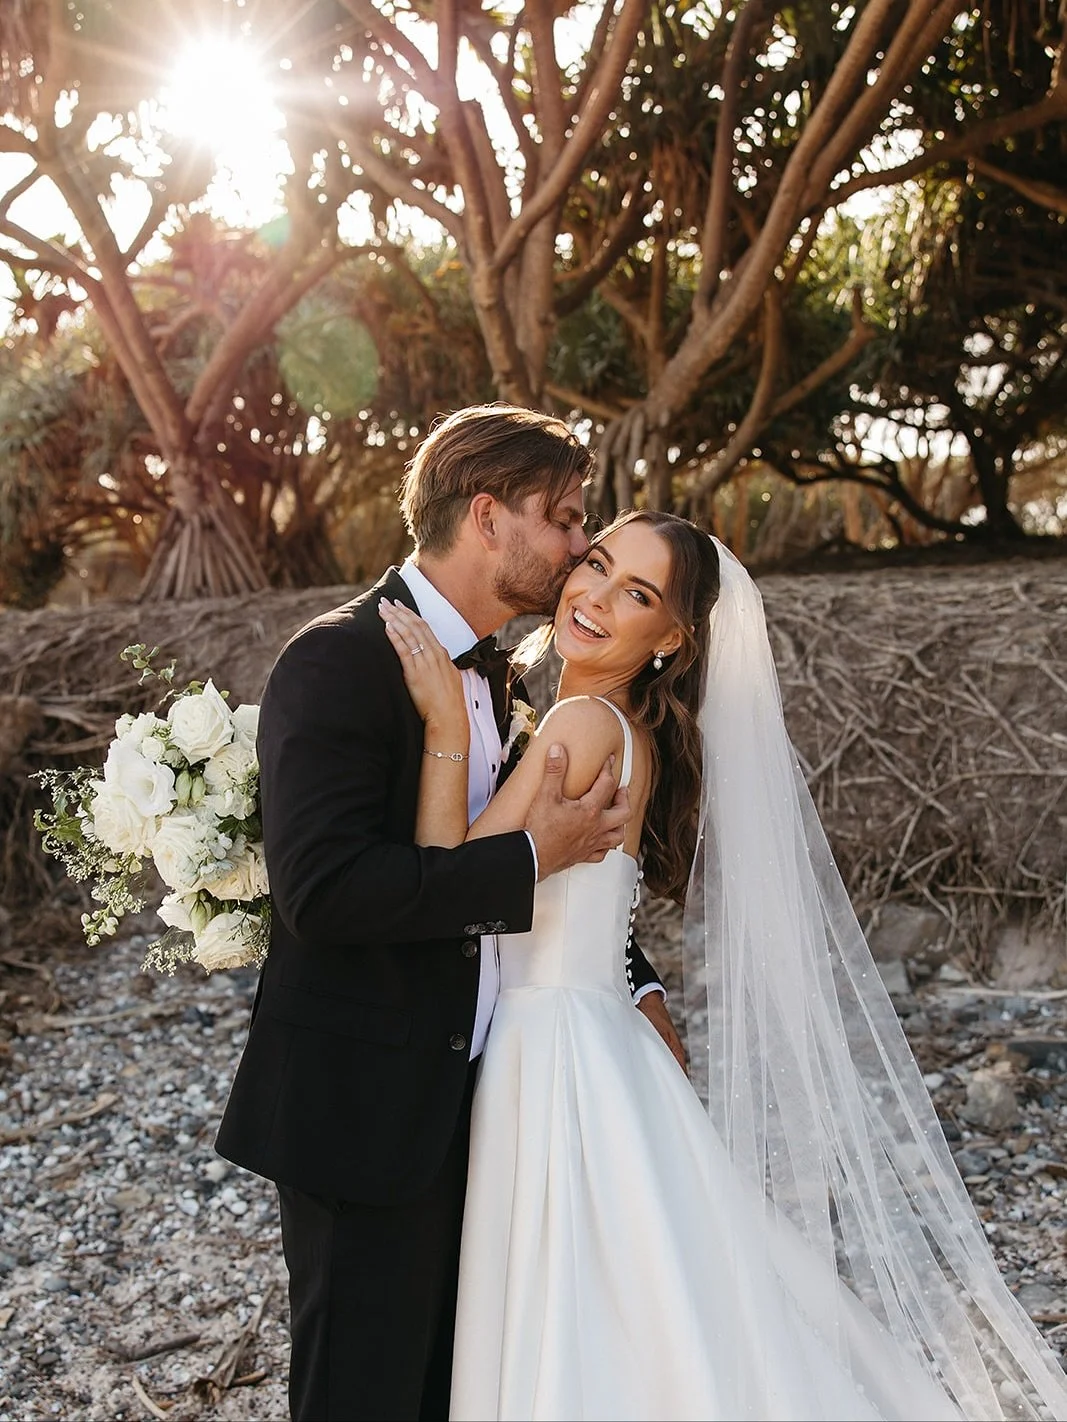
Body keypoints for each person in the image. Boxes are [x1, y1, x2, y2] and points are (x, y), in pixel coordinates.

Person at [380, 509, 1067, 1422]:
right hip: (596, 1040)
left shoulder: (580, 722)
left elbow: (445, 878)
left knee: (590, 1309)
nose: (592, 596)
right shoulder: (623, 727)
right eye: (595, 565)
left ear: (672, 639)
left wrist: (441, 723)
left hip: (555, 1056)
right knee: (658, 1299)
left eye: (637, 595)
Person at [214, 405, 682, 1422]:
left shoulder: (510, 678)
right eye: (561, 521)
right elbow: (325, 893)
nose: (573, 551)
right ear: (486, 516)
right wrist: (526, 857)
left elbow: (569, 865)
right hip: (366, 1112)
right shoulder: (337, 661)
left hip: (492, 1102)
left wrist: (630, 983)